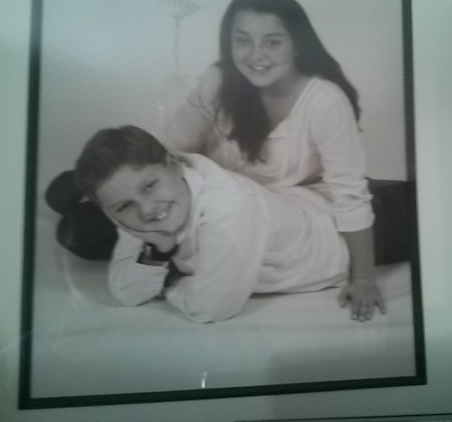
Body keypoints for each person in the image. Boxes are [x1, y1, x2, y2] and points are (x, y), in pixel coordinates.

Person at [161, 0, 385, 321]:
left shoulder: (325, 102)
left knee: (408, 211)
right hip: (226, 211)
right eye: (243, 41)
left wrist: (364, 278)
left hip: (299, 219)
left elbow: (350, 195)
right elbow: (171, 148)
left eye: (272, 42)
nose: (256, 55)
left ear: (297, 44)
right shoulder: (219, 80)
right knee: (101, 217)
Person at [74, 125, 352, 323]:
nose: (145, 210)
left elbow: (211, 307)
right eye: (124, 206)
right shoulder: (141, 206)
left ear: (173, 165)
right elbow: (126, 292)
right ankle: (77, 203)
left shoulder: (229, 209)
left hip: (343, 235)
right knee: (83, 229)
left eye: (149, 186)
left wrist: (171, 281)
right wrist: (158, 251)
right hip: (293, 201)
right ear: (112, 213)